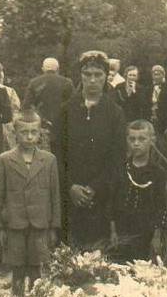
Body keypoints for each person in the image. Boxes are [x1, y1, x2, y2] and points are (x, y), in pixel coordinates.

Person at [53, 50, 126, 249]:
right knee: (66, 260)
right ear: (80, 76)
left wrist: (94, 188)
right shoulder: (66, 110)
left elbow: (118, 158)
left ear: (105, 77)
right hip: (69, 197)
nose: (92, 80)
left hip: (100, 200)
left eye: (98, 75)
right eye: (87, 74)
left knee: (95, 260)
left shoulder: (115, 113)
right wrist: (71, 187)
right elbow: (56, 153)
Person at [0, 109, 61, 297]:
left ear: (40, 133)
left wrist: (54, 226)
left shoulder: (49, 160)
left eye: (34, 132)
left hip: (40, 225)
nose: (29, 137)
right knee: (18, 271)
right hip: (14, 225)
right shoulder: (4, 160)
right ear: (15, 134)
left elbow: (55, 196)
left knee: (37, 270)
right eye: (24, 132)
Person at [109, 119, 167, 262]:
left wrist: (156, 236)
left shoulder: (158, 173)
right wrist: (113, 231)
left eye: (142, 139)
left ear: (152, 140)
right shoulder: (120, 169)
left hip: (145, 231)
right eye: (132, 139)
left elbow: (161, 206)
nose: (136, 143)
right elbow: (111, 202)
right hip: (122, 230)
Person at [23, 57, 74, 135]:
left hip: (41, 125)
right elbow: (73, 104)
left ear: (43, 69)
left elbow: (26, 106)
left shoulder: (34, 83)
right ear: (58, 69)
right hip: (62, 125)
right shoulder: (67, 82)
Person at [148, 64, 167, 135]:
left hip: (164, 119)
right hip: (151, 118)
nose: (156, 77)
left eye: (158, 74)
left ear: (163, 75)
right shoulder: (148, 89)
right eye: (154, 74)